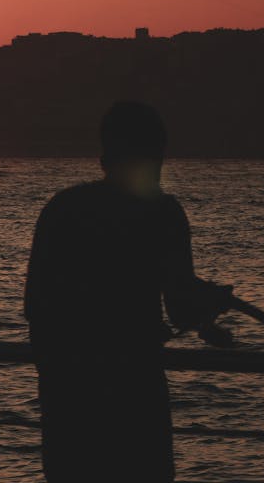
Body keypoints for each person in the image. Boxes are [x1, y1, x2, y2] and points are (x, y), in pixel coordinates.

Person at [23, 101, 233, 483]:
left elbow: (36, 306)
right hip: (136, 398)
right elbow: (182, 308)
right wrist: (211, 305)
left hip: (68, 401)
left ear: (105, 157)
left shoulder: (62, 209)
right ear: (156, 154)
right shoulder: (163, 214)